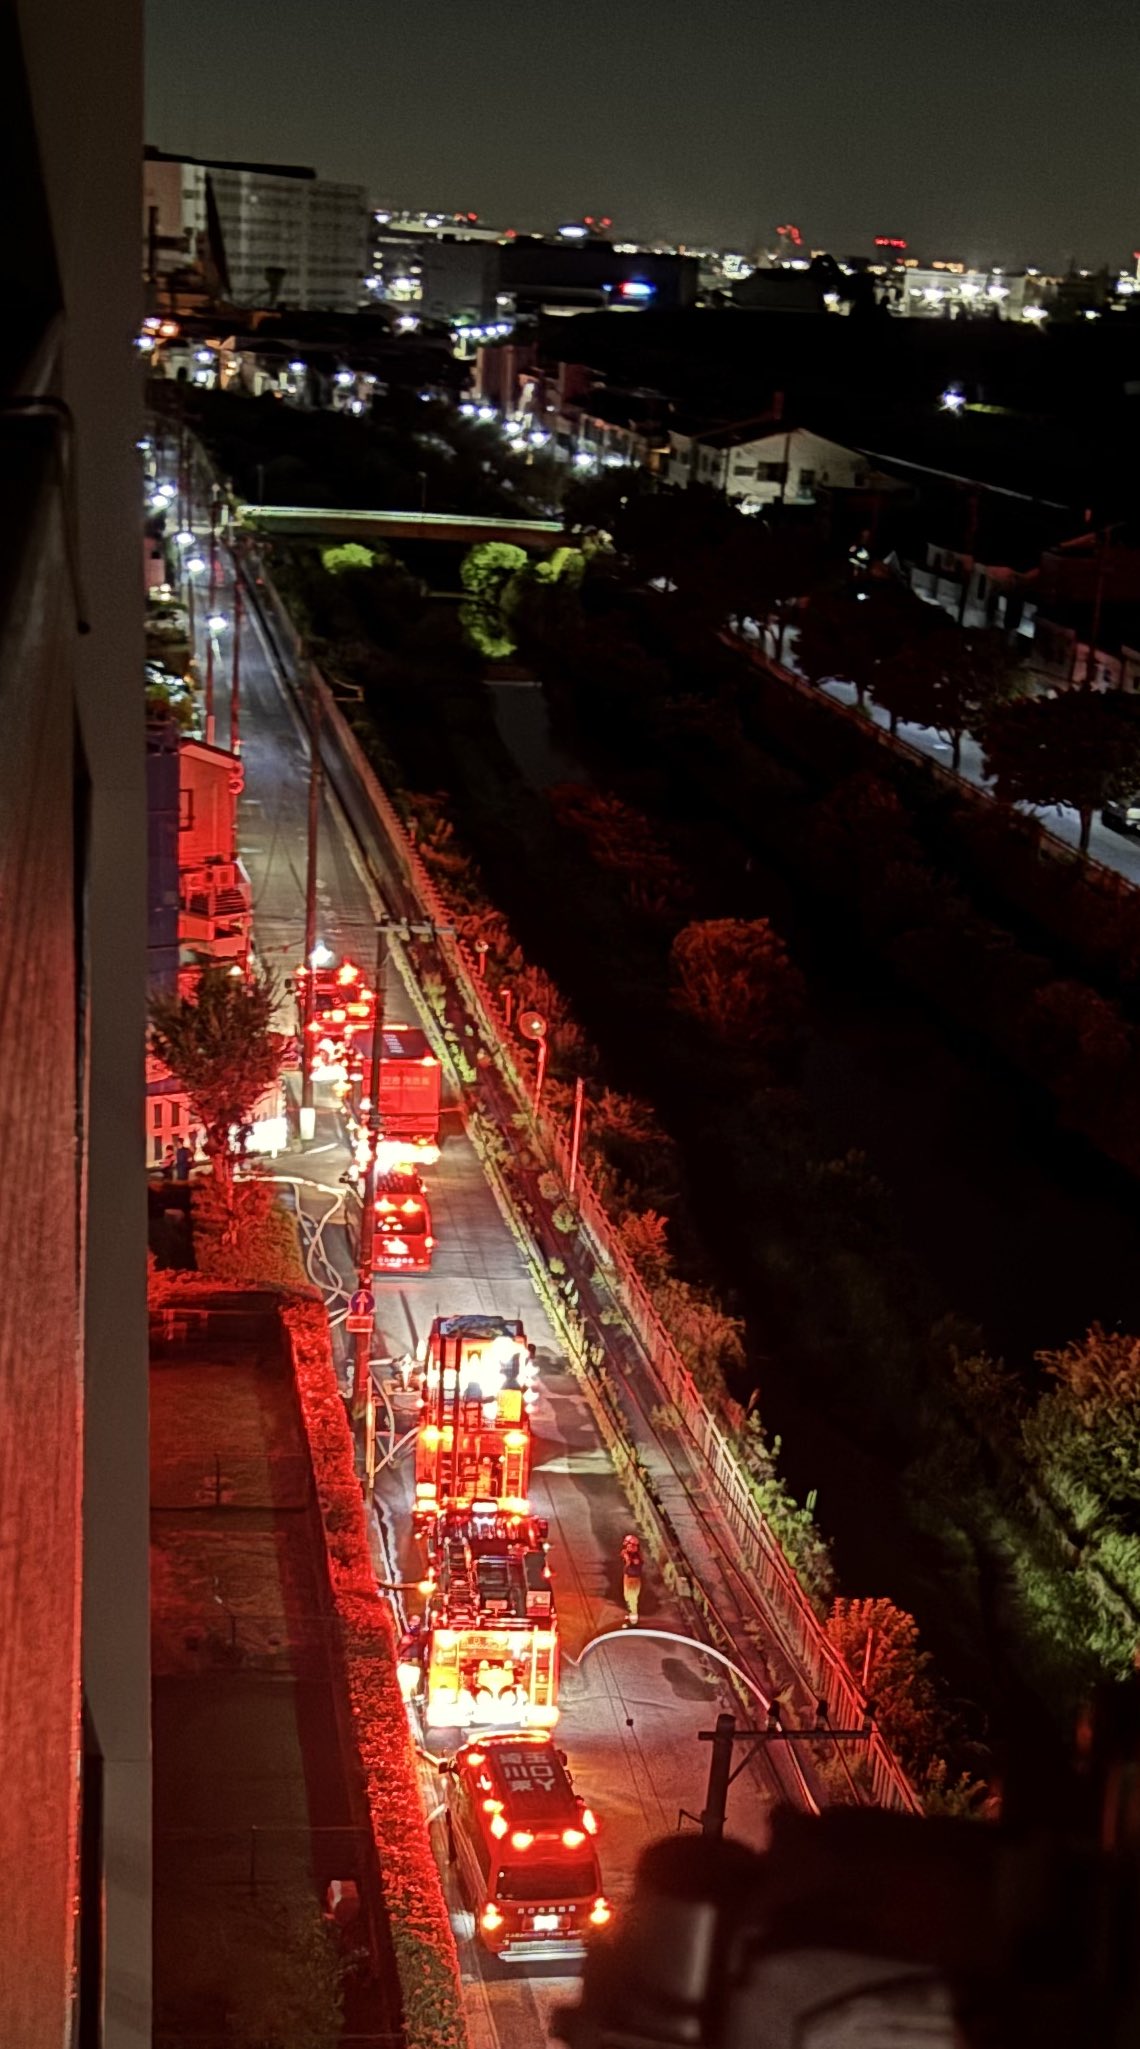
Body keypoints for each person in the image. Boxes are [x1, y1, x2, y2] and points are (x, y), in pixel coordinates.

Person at [621, 1533, 643, 1628]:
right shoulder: (631, 1554)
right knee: (627, 1597)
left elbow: (630, 1564)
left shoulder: (635, 1558)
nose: (626, 1547)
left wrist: (627, 1558)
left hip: (632, 1580)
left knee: (632, 1600)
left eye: (627, 1545)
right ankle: (630, 1615)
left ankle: (633, 1622)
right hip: (628, 1578)